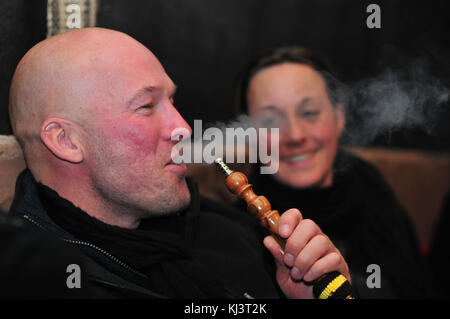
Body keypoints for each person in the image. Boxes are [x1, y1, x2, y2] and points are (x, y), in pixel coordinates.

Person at [7, 28, 350, 299]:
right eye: (145, 106)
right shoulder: (35, 278)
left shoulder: (225, 230)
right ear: (66, 141)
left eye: (171, 99)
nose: (184, 128)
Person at [235, 46, 434, 298]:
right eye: (271, 121)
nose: (295, 135)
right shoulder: (236, 229)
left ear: (339, 117)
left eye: (309, 113)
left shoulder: (372, 191)